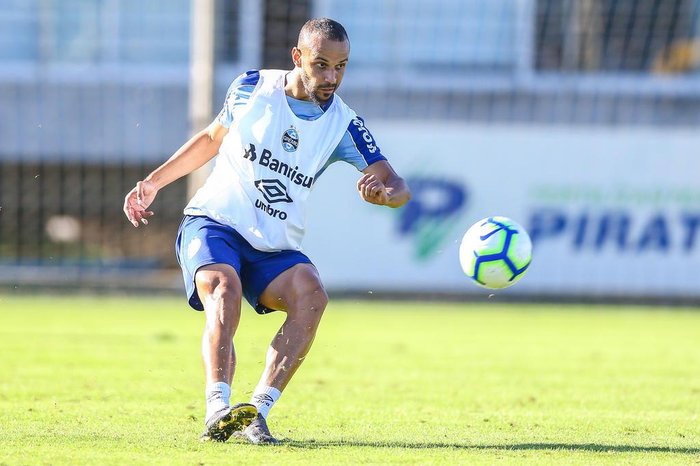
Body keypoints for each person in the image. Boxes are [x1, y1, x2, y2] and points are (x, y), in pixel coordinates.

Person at [123, 17, 410, 444]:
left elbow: (397, 184)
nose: (332, 77)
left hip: (272, 247)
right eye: (321, 64)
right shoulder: (251, 86)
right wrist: (154, 182)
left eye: (342, 66)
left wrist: (386, 196)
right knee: (224, 287)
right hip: (215, 223)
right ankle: (217, 408)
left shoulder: (345, 124)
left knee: (311, 294)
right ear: (297, 57)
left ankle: (256, 411)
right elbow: (210, 139)